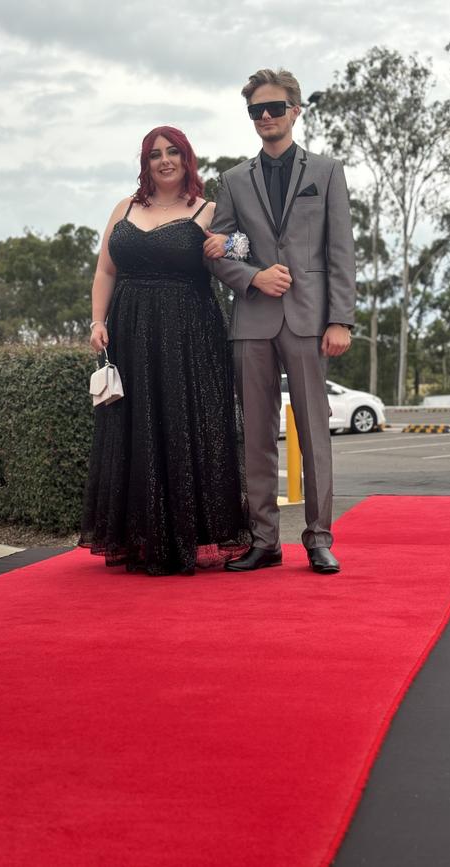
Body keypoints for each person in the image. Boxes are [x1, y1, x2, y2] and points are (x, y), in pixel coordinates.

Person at [204, 68, 356, 574]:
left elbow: (341, 252)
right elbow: (218, 251)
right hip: (252, 322)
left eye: (273, 108)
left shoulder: (327, 172)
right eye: (255, 111)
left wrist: (342, 320)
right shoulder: (232, 180)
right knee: (257, 435)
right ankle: (265, 540)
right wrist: (252, 277)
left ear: (295, 110)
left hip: (311, 320)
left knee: (313, 431)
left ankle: (318, 538)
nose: (264, 117)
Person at [79, 126, 248, 576]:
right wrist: (97, 321)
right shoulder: (124, 208)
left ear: (187, 158)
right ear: (145, 163)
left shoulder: (209, 210)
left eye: (173, 152)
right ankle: (139, 536)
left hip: (190, 334)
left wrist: (227, 242)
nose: (165, 161)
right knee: (136, 429)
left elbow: (246, 247)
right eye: (155, 154)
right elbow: (105, 272)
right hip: (129, 331)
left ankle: (189, 536)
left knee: (185, 426)